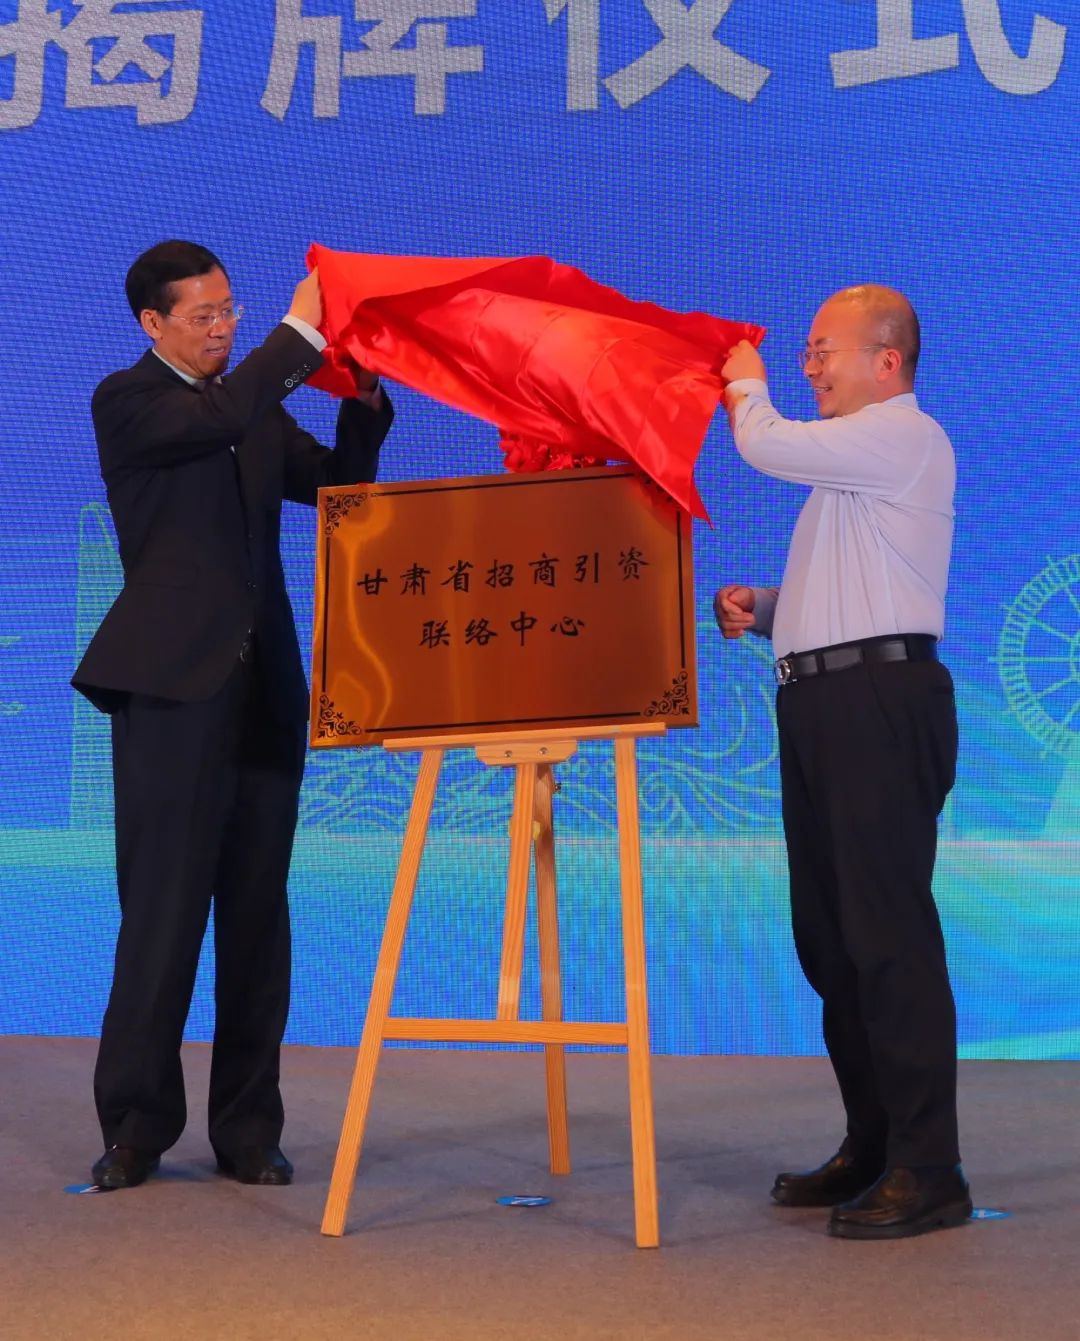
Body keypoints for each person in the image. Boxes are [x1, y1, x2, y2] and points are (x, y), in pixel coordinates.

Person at [72, 240, 394, 1190]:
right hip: (172, 692)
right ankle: (136, 1126)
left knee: (258, 916)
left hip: (263, 693)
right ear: (153, 323)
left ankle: (249, 1126)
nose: (222, 327)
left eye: (231, 310)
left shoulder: (247, 408)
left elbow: (337, 487)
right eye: (204, 315)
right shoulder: (129, 399)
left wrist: (364, 400)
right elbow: (220, 414)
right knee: (163, 912)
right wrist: (299, 332)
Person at [716, 285, 969, 1240]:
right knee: (830, 938)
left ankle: (929, 1165)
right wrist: (770, 609)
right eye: (806, 351)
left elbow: (762, 442)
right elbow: (855, 592)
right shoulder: (851, 468)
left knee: (887, 935)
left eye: (825, 349)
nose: (810, 364)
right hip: (822, 703)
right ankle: (874, 1144)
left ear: (887, 361)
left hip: (878, 706)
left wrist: (746, 384)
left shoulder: (905, 435)